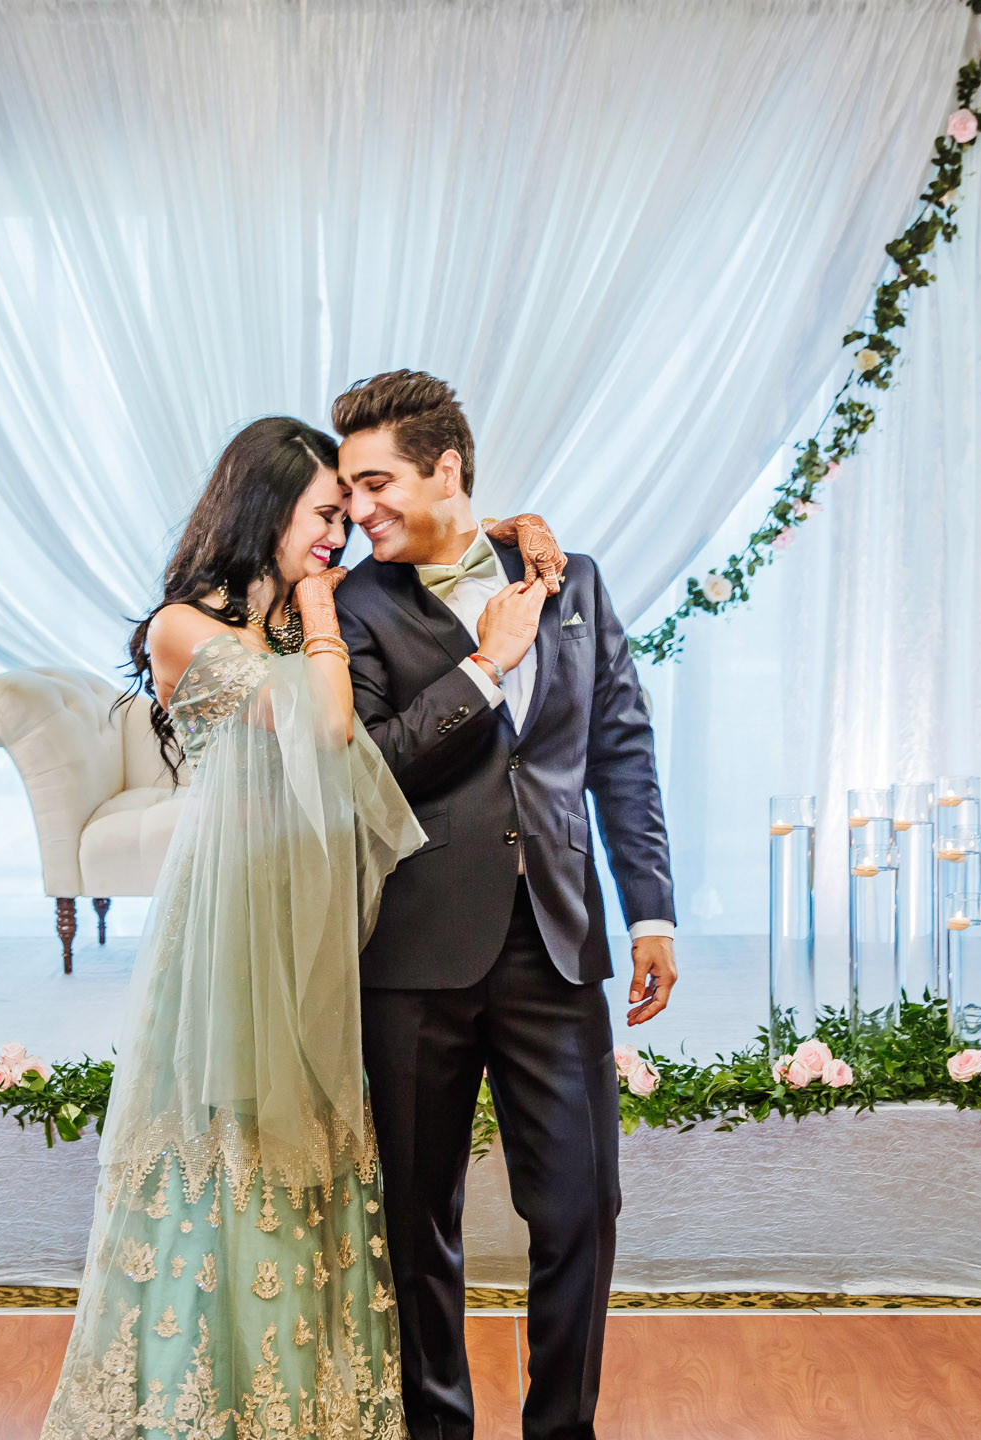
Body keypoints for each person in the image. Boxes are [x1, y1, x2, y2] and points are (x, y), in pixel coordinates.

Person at [40, 414, 565, 1437]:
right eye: (326, 514)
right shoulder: (183, 627)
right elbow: (326, 730)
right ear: (264, 507)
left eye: (344, 514)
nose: (341, 533)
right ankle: (219, 1399)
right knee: (237, 1138)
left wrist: (518, 522)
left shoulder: (290, 612)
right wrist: (321, 607)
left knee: (315, 1148)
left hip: (321, 911)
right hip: (236, 914)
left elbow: (428, 545)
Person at [331, 371, 677, 1440]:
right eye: (347, 491)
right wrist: (485, 663)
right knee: (417, 1217)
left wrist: (650, 910)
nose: (359, 508)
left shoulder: (572, 579)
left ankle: (559, 1429)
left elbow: (618, 744)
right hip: (414, 954)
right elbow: (372, 770)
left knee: (581, 1208)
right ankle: (438, 1429)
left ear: (448, 469)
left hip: (559, 946)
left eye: (376, 481)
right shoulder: (348, 609)